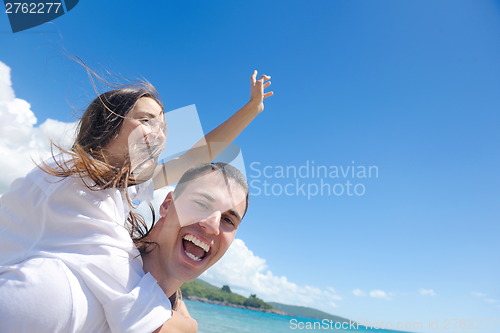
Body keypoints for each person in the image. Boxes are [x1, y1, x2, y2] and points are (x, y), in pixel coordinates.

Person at [0, 70, 272, 332]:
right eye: (146, 120)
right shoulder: (72, 178)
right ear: (108, 124)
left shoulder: (116, 189)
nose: (160, 134)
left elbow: (192, 158)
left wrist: (251, 109)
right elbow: (131, 293)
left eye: (164, 127)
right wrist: (184, 319)